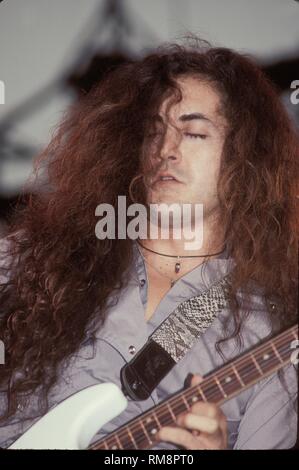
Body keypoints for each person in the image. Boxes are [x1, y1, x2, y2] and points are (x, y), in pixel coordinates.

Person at [0, 40, 298, 450]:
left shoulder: (270, 336)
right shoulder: (29, 262)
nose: (166, 150)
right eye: (154, 131)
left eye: (193, 133)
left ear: (244, 159)